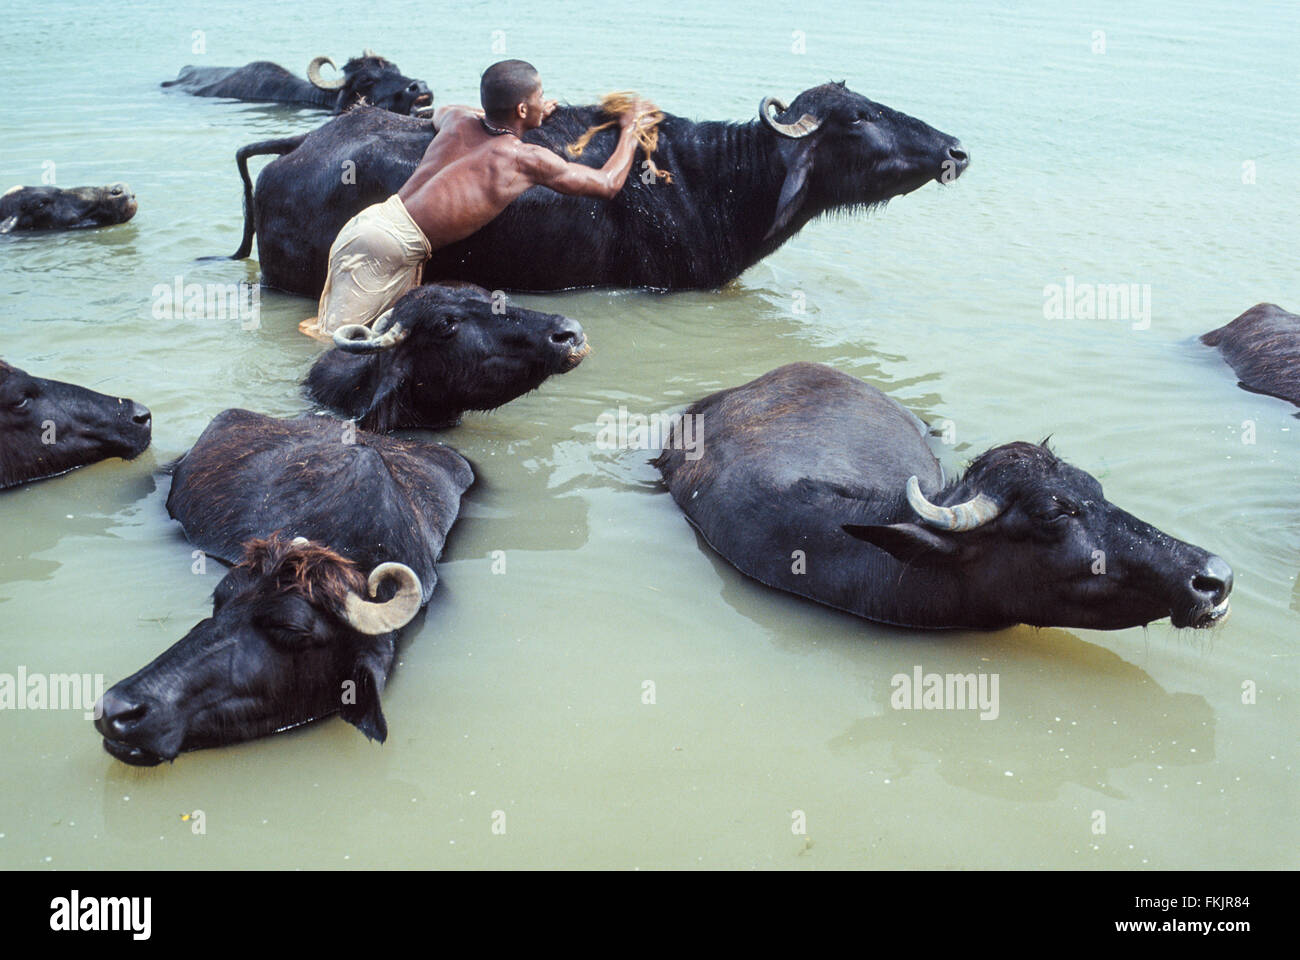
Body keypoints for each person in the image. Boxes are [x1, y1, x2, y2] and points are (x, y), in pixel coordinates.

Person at [303, 59, 656, 340]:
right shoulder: (523, 159)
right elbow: (607, 183)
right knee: (336, 350)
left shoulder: (457, 120)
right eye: (539, 98)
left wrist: (516, 112)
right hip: (385, 246)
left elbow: (442, 111)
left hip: (371, 224)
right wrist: (630, 129)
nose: (544, 103)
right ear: (521, 109)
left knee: (357, 337)